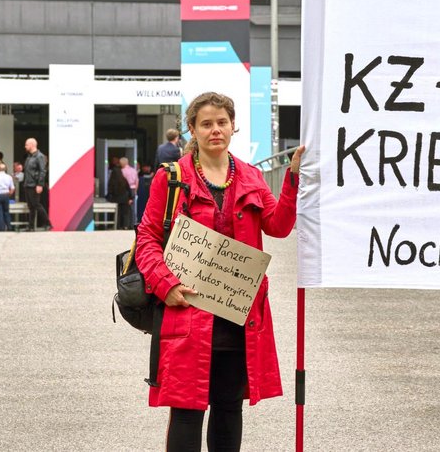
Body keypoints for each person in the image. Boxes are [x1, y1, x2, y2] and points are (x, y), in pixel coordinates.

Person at [134, 92, 304, 452]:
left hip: (237, 316)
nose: (215, 130)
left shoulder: (251, 176)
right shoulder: (172, 178)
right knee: (186, 409)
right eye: (206, 124)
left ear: (233, 126)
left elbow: (278, 226)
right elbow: (147, 237)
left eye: (222, 122)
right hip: (187, 310)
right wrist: (165, 285)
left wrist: (291, 179)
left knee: (229, 407)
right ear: (191, 129)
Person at [22, 138, 51, 230]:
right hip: (27, 184)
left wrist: (39, 184)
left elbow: (43, 171)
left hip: (34, 185)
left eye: (26, 144)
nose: (25, 146)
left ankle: (48, 223)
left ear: (32, 145)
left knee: (36, 205)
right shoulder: (29, 156)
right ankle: (31, 227)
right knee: (31, 207)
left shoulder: (39, 156)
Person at [105, 158, 133, 231]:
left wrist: (109, 196)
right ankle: (125, 226)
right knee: (125, 212)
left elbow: (110, 189)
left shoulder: (112, 181)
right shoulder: (123, 179)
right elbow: (128, 188)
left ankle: (117, 226)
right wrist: (130, 198)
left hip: (116, 199)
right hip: (125, 198)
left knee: (118, 213)